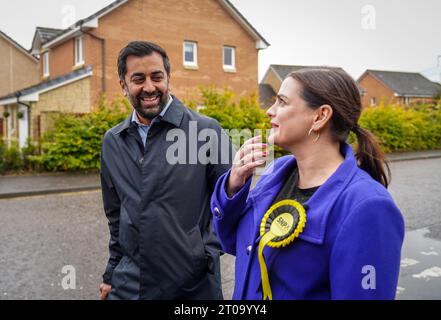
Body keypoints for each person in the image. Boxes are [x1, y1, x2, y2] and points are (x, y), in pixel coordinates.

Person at [211, 68, 405, 300]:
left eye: (282, 102)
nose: (270, 111)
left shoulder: (368, 206)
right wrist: (233, 187)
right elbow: (236, 246)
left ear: (320, 116)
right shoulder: (276, 172)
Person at [99, 41, 233, 300]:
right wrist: (111, 273)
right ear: (123, 85)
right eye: (138, 79)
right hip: (130, 285)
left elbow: (230, 201)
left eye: (156, 77)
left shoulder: (206, 131)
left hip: (192, 286)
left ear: (168, 79)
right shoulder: (113, 141)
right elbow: (116, 216)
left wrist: (204, 253)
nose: (149, 87)